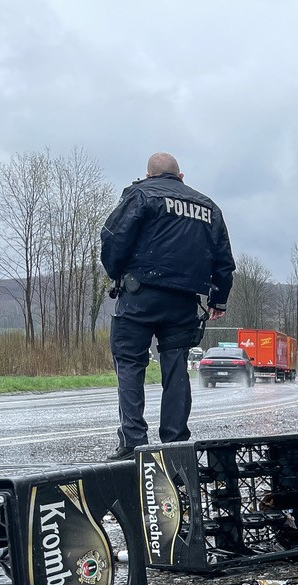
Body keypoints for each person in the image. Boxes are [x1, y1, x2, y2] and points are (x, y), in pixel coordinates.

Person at [100, 152, 235, 460]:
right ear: (181, 177)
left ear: (148, 175)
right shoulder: (207, 206)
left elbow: (113, 237)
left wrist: (118, 274)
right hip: (182, 302)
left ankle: (133, 441)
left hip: (139, 296)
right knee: (175, 367)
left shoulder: (140, 194)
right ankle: (175, 442)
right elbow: (224, 260)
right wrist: (218, 299)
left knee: (131, 364)